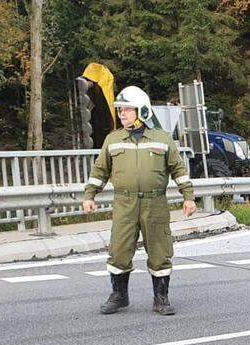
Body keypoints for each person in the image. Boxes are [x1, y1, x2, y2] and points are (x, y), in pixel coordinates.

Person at [82, 85, 196, 316]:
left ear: (142, 111)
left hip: (155, 205)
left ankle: (161, 299)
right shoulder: (113, 139)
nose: (122, 114)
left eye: (127, 109)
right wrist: (89, 196)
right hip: (124, 204)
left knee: (160, 252)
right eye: (121, 110)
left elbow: (179, 170)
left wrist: (188, 197)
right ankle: (119, 296)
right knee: (118, 251)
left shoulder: (162, 139)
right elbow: (100, 170)